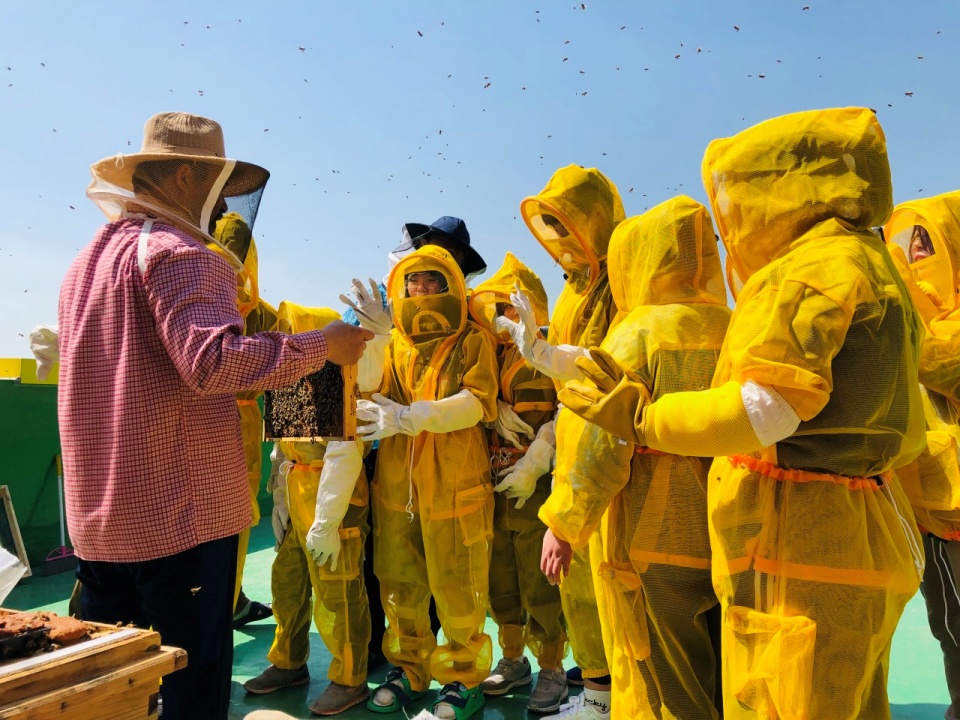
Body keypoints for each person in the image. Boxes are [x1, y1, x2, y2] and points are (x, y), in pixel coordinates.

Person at [559, 107, 927, 719]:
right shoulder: (869, 262)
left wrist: (644, 420)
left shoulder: (812, 271)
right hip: (849, 533)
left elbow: (768, 409)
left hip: (802, 548)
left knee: (786, 700)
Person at [58, 112, 372, 720]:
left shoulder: (89, 262)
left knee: (115, 690)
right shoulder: (183, 254)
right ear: (183, 177)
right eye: (215, 189)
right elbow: (212, 365)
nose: (221, 204)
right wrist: (322, 348)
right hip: (178, 520)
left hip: (100, 524)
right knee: (189, 684)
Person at [543, 197, 729, 719]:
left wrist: (563, 523)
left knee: (659, 679)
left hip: (651, 533)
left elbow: (598, 445)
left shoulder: (637, 333)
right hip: (727, 529)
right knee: (720, 669)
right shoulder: (733, 325)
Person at [498, 165, 623, 718]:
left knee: (615, 589)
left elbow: (613, 372)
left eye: (562, 221)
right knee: (580, 590)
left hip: (612, 457)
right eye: (548, 224)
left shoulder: (620, 284)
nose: (557, 235)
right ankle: (597, 700)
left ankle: (612, 699)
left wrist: (546, 357)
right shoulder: (577, 291)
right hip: (575, 459)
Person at [360, 245, 498, 720]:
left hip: (456, 481)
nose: (419, 290)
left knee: (459, 583)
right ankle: (409, 669)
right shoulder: (396, 342)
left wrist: (410, 417)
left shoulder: (472, 341)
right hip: (399, 486)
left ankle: (464, 678)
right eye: (412, 281)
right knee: (399, 581)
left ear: (449, 287)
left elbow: (476, 402)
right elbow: (367, 384)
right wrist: (376, 337)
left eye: (429, 281)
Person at [245, 302, 374, 716]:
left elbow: (346, 454)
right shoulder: (289, 383)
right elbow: (283, 454)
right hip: (297, 497)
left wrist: (328, 521)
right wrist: (280, 504)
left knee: (338, 593)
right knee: (289, 584)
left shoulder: (344, 381)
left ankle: (349, 678)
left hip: (335, 503)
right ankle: (287, 662)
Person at [469, 253, 569, 714]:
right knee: (500, 575)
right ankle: (513, 658)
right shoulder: (488, 352)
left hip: (536, 484)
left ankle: (551, 665)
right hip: (493, 480)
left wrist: (536, 459)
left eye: (510, 308)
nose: (502, 318)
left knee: (541, 578)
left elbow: (564, 411)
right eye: (497, 309)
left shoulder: (551, 351)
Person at [885, 193, 960, 720]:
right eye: (908, 244)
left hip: (949, 515)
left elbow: (937, 361)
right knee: (949, 628)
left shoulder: (928, 331)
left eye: (926, 243)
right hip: (932, 515)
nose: (914, 255)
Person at [209, 211, 277, 629]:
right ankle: (223, 601)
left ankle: (229, 601)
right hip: (217, 425)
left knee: (233, 523)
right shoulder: (262, 314)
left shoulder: (264, 315)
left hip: (237, 427)